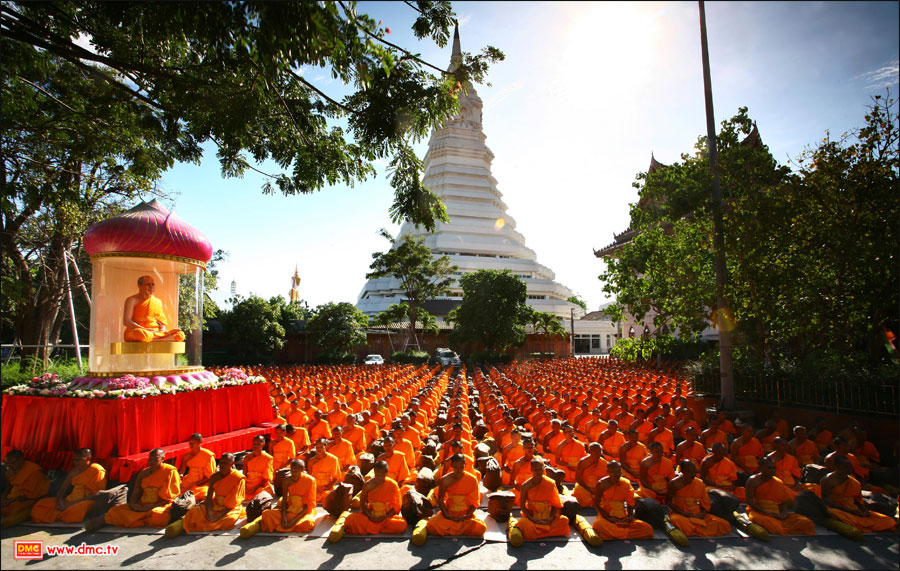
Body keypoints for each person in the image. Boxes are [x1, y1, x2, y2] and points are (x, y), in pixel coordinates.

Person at [105, 448, 181, 528]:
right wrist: (133, 504)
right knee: (114, 511)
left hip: (160, 505)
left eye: (155, 459)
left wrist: (152, 506)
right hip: (142, 505)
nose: (152, 462)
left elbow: (172, 498)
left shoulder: (170, 471)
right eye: (150, 459)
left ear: (162, 459)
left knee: (158, 515)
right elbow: (136, 492)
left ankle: (140, 518)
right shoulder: (143, 473)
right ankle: (141, 518)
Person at [821, 455, 897, 533]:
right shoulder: (827, 480)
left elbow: (858, 500)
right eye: (846, 467)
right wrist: (848, 510)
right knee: (834, 514)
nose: (849, 470)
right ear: (837, 467)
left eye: (850, 467)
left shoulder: (854, 482)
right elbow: (825, 499)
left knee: (888, 521)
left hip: (853, 509)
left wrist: (864, 510)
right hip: (836, 508)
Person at [31, 448, 106, 524]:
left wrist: (69, 505)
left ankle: (58, 514)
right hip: (69, 500)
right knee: (40, 505)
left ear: (88, 458)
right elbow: (62, 490)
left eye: (78, 460)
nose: (75, 462)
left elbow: (96, 495)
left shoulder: (97, 470)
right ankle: (60, 514)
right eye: (74, 460)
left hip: (86, 501)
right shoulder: (75, 471)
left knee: (76, 510)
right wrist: (60, 501)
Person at [744, 457, 815, 536]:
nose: (772, 470)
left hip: (777, 513)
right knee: (772, 526)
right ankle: (779, 525)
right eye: (769, 468)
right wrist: (766, 512)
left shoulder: (778, 482)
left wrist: (784, 513)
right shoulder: (753, 481)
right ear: (760, 468)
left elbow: (782, 502)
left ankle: (781, 523)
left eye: (774, 468)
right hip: (760, 512)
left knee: (807, 522)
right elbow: (749, 501)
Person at [424, 454, 486, 537]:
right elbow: (440, 500)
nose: (459, 470)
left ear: (465, 465)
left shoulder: (472, 479)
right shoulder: (445, 480)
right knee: (431, 525)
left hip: (465, 514)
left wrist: (467, 515)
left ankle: (452, 529)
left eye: (461, 467)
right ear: (452, 465)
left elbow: (475, 502)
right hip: (450, 512)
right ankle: (460, 529)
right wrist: (446, 515)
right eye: (456, 467)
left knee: (481, 528)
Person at [182, 453, 246, 533]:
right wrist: (209, 512)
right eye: (221, 463)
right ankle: (210, 520)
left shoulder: (238, 478)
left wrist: (218, 516)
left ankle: (211, 522)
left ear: (232, 464)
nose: (222, 465)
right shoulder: (214, 477)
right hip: (215, 505)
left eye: (225, 463)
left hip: (230, 508)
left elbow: (233, 502)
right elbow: (209, 497)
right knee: (193, 512)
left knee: (230, 520)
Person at [665, 460, 731, 537]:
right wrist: (685, 513)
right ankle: (699, 529)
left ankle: (695, 529)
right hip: (681, 514)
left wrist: (702, 514)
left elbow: (705, 504)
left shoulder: (699, 483)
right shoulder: (674, 483)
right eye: (689, 472)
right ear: (682, 471)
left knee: (724, 524)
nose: (693, 474)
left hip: (697, 514)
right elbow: (668, 502)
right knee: (676, 520)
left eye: (694, 471)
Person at [591, 461, 654, 540]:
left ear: (621, 471)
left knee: (648, 529)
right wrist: (608, 518)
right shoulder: (601, 484)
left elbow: (630, 502)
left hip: (623, 518)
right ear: (607, 472)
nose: (616, 474)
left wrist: (630, 517)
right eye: (613, 471)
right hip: (607, 517)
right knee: (598, 525)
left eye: (618, 471)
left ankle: (617, 534)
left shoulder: (626, 483)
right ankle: (624, 534)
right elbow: (596, 504)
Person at [511, 459, 570, 541]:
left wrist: (550, 518)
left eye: (540, 469)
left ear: (543, 469)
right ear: (531, 470)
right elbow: (522, 506)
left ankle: (539, 533)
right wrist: (532, 519)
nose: (538, 472)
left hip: (547, 516)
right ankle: (545, 532)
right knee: (523, 523)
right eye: (535, 470)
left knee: (564, 520)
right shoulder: (525, 486)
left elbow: (556, 504)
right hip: (533, 517)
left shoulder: (550, 483)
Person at [344, 461, 408, 535]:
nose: (379, 478)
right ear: (374, 472)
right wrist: (369, 515)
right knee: (349, 520)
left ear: (386, 472)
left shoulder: (393, 485)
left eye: (381, 475)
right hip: (371, 516)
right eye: (377, 475)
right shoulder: (367, 485)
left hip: (386, 518)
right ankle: (379, 528)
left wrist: (385, 516)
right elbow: (362, 503)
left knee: (402, 524)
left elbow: (397, 506)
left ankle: (371, 528)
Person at [260, 459, 317, 533]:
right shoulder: (287, 481)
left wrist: (292, 521)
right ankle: (288, 523)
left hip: (303, 512)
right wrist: (284, 518)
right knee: (266, 514)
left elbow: (309, 505)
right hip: (290, 510)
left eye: (296, 471)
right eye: (291, 471)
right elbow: (284, 501)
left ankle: (292, 524)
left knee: (308, 524)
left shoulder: (310, 481)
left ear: (303, 470)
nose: (293, 474)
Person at [123, 276, 185, 342]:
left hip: (154, 332)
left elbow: (162, 322)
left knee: (180, 335)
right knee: (141, 334)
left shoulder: (157, 302)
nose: (151, 287)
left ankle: (153, 340)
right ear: (139, 285)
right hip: (139, 330)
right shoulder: (132, 300)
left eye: (153, 284)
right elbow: (127, 321)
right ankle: (159, 339)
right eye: (148, 284)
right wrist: (144, 329)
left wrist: (163, 329)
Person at [1, 450, 50, 526]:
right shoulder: (10, 470)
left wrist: (12, 500)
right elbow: (9, 486)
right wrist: (3, 497)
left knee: (15, 510)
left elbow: (33, 496)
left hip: (31, 500)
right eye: (7, 464)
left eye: (12, 463)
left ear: (21, 460)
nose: (9, 466)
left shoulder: (34, 472)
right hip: (12, 498)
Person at [178, 433, 216, 502]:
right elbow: (181, 472)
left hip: (203, 483)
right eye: (190, 443)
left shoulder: (207, 455)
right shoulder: (187, 456)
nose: (191, 445)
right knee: (176, 491)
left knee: (205, 494)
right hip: (188, 480)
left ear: (200, 442)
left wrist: (194, 484)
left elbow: (210, 477)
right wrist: (179, 481)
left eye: (193, 443)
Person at [573, 443, 609, 507]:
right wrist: (590, 489)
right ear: (590, 451)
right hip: (585, 487)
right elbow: (578, 479)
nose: (597, 454)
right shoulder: (583, 462)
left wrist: (599, 489)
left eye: (599, 452)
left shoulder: (604, 463)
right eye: (595, 452)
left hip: (599, 488)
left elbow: (607, 478)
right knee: (579, 490)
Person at [308, 439, 342, 505]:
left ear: (325, 446)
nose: (319, 449)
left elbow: (336, 477)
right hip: (315, 488)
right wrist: (313, 488)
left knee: (328, 496)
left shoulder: (333, 459)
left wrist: (327, 487)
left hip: (326, 488)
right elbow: (309, 477)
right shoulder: (311, 460)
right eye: (317, 447)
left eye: (321, 447)